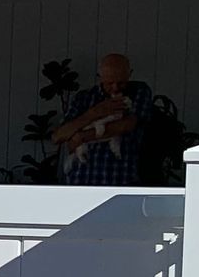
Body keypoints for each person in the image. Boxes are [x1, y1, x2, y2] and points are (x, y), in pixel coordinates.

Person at [52, 53, 153, 185]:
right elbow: (58, 136)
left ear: (130, 74)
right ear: (100, 77)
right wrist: (94, 113)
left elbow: (126, 125)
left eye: (121, 82)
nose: (115, 88)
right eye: (109, 83)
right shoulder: (83, 98)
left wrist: (81, 137)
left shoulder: (138, 91)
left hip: (118, 178)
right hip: (80, 180)